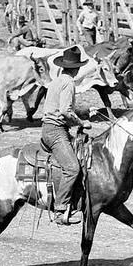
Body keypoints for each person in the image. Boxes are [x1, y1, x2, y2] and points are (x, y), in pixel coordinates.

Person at [40, 46, 91, 225]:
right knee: (72, 168)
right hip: (56, 131)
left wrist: (82, 112)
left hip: (48, 127)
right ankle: (60, 210)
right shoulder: (69, 83)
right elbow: (64, 110)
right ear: (76, 69)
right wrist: (80, 122)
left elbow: (58, 106)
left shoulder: (55, 81)